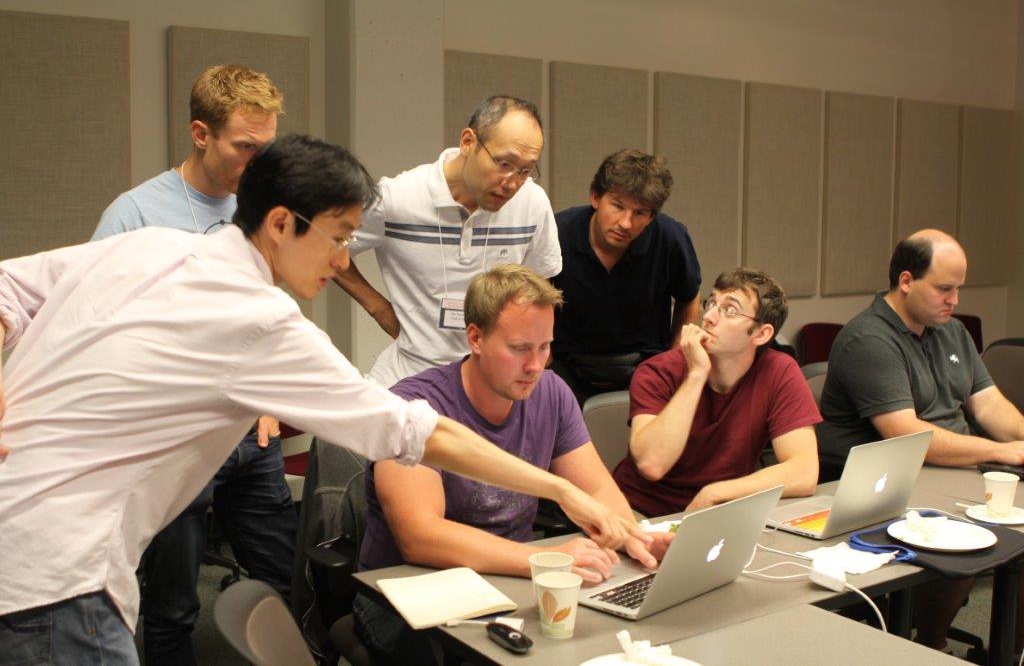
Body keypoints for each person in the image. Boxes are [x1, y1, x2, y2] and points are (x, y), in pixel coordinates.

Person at [0, 135, 644, 665]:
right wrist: (560, 490)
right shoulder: (259, 320)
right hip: (60, 575)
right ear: (282, 223)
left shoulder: (152, 246)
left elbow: (9, 286)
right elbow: (415, 433)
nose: (341, 261)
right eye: (338, 237)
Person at [353, 264, 673, 665]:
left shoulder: (551, 394)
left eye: (544, 347)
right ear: (476, 338)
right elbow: (421, 536)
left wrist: (635, 538)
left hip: (508, 588)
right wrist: (544, 561)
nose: (535, 366)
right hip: (406, 601)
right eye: (520, 348)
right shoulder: (414, 407)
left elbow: (595, 490)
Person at [92, 65, 292, 665]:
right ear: (201, 134)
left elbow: (264, 316)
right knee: (174, 605)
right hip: (176, 441)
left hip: (251, 434)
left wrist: (267, 395)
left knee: (285, 585)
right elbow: (100, 327)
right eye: (245, 146)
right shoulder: (134, 214)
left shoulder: (264, 210)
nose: (258, 162)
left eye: (267, 147)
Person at [817, 228, 1024, 654]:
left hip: (956, 472)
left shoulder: (951, 330)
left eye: (958, 289)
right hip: (887, 486)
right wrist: (1004, 451)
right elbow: (907, 435)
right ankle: (931, 647)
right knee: (969, 542)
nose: (954, 300)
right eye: (944, 288)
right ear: (906, 281)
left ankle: (1007, 652)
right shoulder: (869, 339)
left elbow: (988, 405)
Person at [334, 95, 561, 388]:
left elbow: (540, 286)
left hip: (491, 379)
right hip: (410, 374)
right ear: (468, 142)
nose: (512, 182)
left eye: (525, 170)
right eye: (504, 163)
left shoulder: (532, 203)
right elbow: (327, 245)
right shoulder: (398, 198)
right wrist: (379, 308)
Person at [612, 268, 820, 517]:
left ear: (761, 334)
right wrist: (696, 374)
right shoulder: (657, 371)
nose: (709, 317)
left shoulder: (779, 371)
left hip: (719, 509)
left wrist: (717, 493)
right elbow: (652, 465)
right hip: (641, 512)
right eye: (711, 303)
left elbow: (805, 472)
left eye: (729, 309)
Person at [550, 149, 701, 404]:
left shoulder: (670, 238)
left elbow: (689, 297)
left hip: (647, 365)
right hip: (567, 366)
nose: (626, 223)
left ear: (651, 216)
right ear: (595, 197)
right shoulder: (558, 232)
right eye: (618, 206)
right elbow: (534, 297)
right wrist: (545, 358)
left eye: (640, 213)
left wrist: (676, 360)